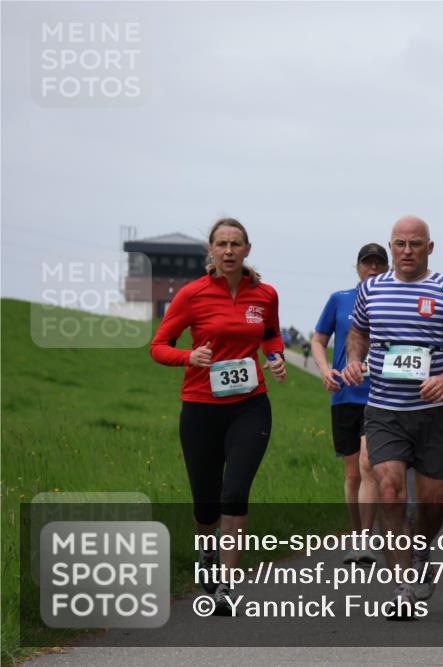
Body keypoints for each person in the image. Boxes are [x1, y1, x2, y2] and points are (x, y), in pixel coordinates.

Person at [341, 215, 443, 620]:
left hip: (434, 414)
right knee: (389, 491)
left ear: (430, 248)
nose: (406, 251)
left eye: (415, 244)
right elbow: (358, 333)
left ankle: (422, 551)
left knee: (432, 505)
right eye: (399, 244)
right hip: (385, 410)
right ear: (391, 246)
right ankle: (403, 586)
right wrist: (354, 360)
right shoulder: (371, 289)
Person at [150, 218, 286, 615]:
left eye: (235, 244)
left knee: (235, 492)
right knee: (206, 502)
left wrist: (275, 356)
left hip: (250, 405)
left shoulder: (265, 294)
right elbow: (159, 346)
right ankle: (207, 556)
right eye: (221, 244)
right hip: (200, 408)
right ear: (210, 250)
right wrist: (188, 357)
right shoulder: (191, 295)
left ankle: (225, 584)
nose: (228, 251)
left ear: (247, 249)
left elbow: (270, 334)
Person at [311, 243, 390, 565]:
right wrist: (325, 370)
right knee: (352, 473)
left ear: (386, 269)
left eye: (378, 265)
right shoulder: (339, 299)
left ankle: (366, 540)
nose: (372, 270)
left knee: (368, 465)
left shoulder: (392, 300)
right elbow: (319, 339)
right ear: (357, 267)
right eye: (367, 264)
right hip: (345, 394)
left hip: (380, 393)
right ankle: (356, 535)